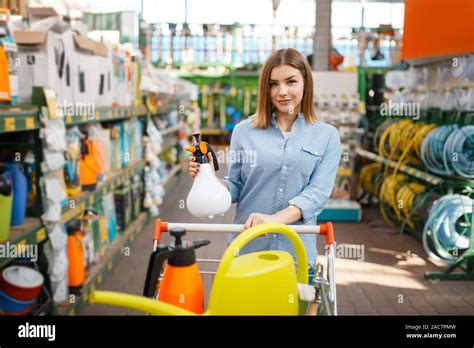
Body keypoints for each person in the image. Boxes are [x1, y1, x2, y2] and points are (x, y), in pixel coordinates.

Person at [189, 48, 341, 263]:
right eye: (273, 84)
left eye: (291, 82)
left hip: (295, 253)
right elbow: (237, 186)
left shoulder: (326, 136)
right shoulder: (244, 131)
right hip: (248, 248)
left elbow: (317, 194)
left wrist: (274, 220)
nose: (282, 92)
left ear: (305, 83)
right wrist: (207, 178)